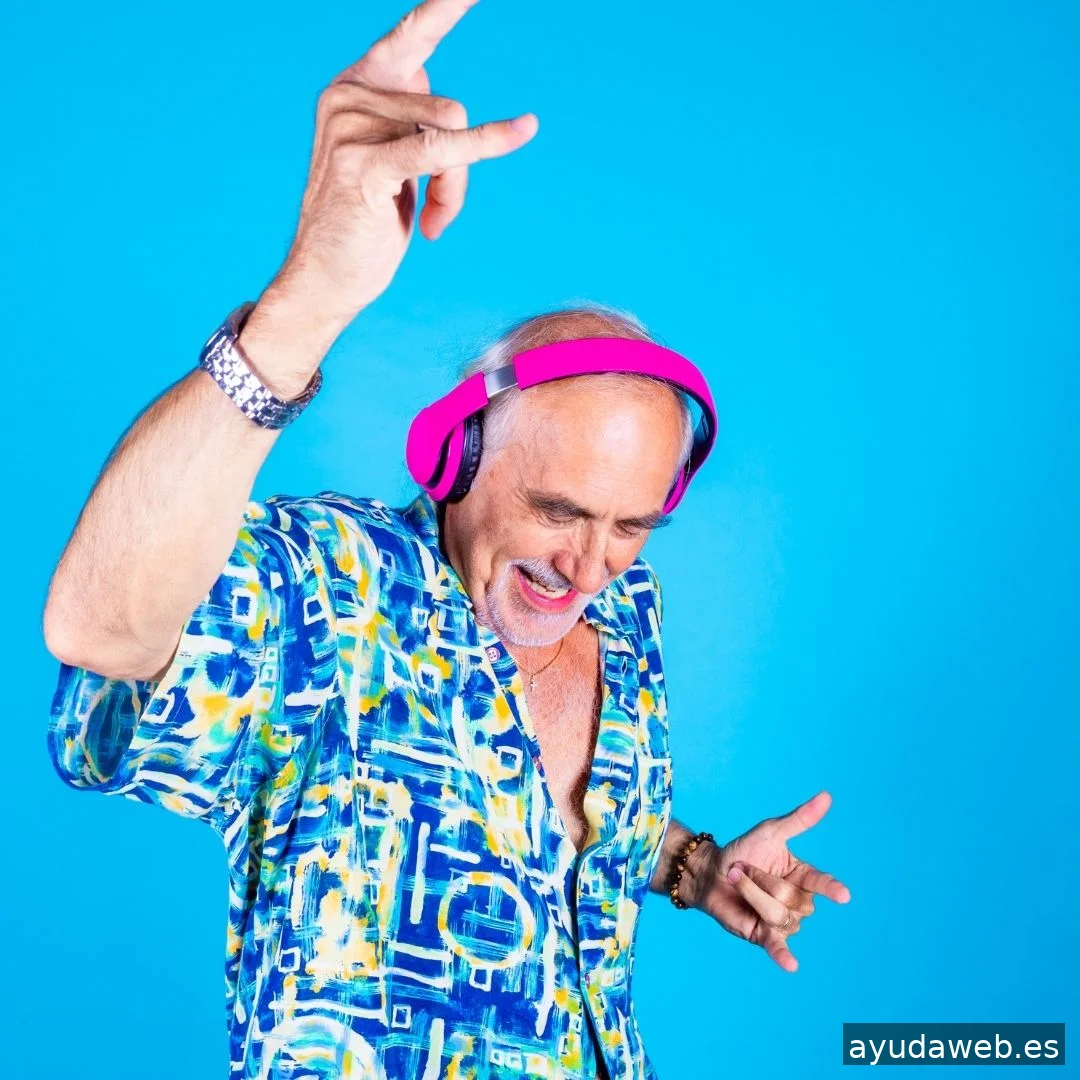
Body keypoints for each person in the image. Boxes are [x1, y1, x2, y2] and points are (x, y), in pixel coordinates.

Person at [42, 2, 851, 1078]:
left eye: (631, 526)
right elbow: (101, 627)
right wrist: (305, 302)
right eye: (559, 511)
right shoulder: (333, 596)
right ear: (454, 461)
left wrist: (690, 866)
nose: (589, 564)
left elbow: (554, 821)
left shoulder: (627, 615)